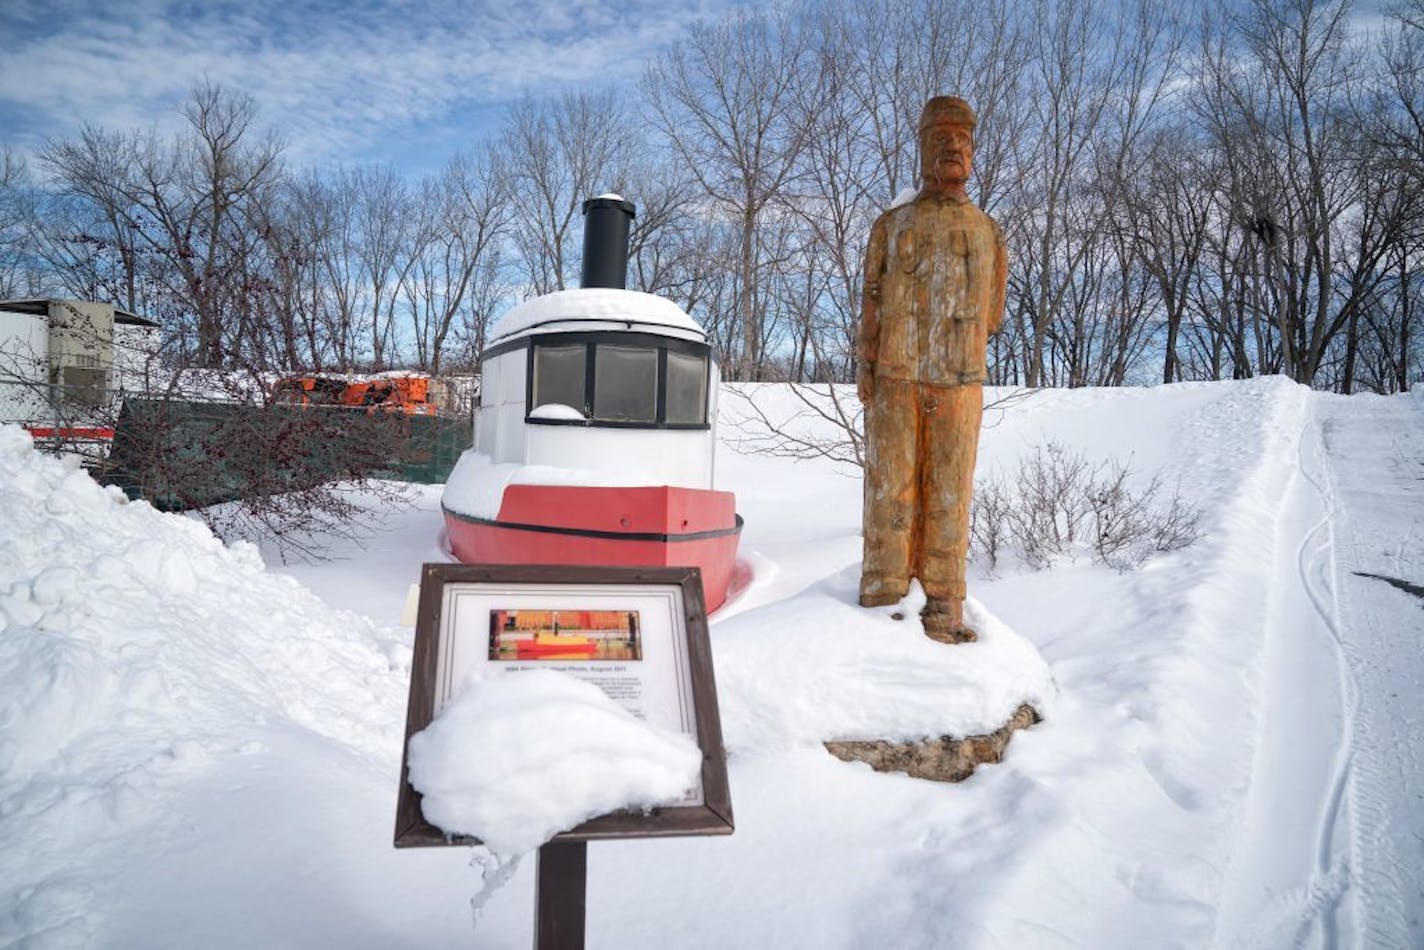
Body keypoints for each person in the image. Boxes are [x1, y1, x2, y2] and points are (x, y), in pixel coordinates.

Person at [856, 96, 1008, 644]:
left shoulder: (988, 232)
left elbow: (991, 313)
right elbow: (871, 297)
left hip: (960, 381)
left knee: (949, 496)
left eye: (963, 141)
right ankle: (885, 603)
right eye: (940, 139)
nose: (952, 148)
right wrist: (869, 362)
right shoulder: (891, 226)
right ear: (920, 148)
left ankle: (944, 609)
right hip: (896, 377)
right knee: (891, 491)